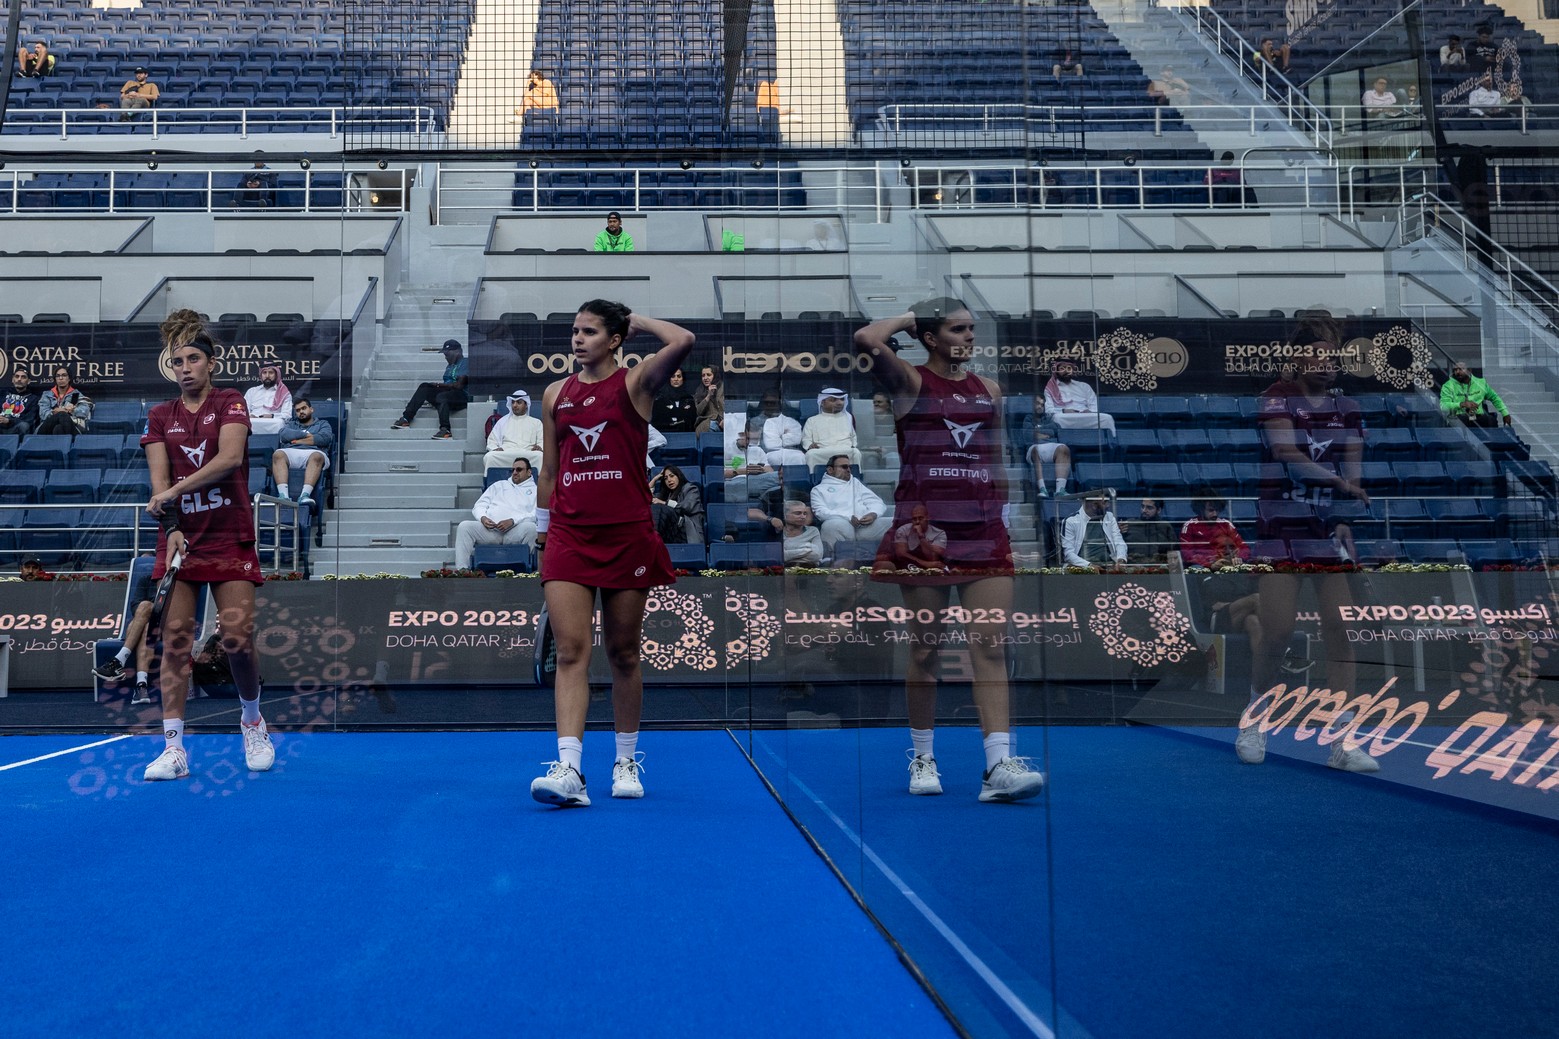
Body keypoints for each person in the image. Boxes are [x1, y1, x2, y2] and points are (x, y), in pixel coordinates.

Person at [855, 298, 1044, 803]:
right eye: (957, 329)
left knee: (990, 646)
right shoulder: (909, 382)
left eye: (971, 329)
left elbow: (995, 458)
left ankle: (997, 766)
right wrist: (912, 318)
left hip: (983, 532)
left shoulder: (990, 390)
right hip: (924, 535)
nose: (969, 337)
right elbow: (867, 339)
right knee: (926, 650)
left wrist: (1000, 513)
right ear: (930, 337)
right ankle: (923, 756)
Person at [530, 300, 694, 807]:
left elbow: (683, 340)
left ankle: (625, 760)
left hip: (626, 535)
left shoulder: (636, 383)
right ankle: (570, 770)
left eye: (590, 331)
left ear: (615, 339)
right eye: (574, 331)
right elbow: (550, 471)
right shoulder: (555, 393)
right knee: (570, 652)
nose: (577, 339)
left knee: (624, 653)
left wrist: (635, 320)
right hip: (569, 535)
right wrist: (542, 535)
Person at [139, 309, 272, 782]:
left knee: (235, 638)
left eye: (193, 359)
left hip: (229, 533)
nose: (185, 368)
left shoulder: (231, 401)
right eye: (177, 362)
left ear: (211, 364)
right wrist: (172, 522)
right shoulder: (160, 416)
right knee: (175, 640)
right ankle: (173, 748)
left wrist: (174, 492)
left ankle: (252, 721)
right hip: (181, 538)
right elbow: (158, 484)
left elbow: (230, 457)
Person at [1243, 314, 1376, 773]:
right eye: (1317, 354)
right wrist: (1339, 483)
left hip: (1325, 530)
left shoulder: (1348, 406)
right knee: (1278, 632)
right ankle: (1254, 718)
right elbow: (1286, 452)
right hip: (1280, 527)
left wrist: (1344, 512)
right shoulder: (1276, 397)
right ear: (1297, 360)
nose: (1327, 362)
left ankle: (1343, 740)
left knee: (1341, 630)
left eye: (1332, 356)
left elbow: (1354, 470)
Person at [92, 560, 159, 704]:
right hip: (146, 625)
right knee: (145, 624)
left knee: (145, 606)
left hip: (166, 625)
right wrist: (147, 612)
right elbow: (134, 606)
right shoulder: (146, 580)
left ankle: (118, 661)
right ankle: (141, 686)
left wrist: (150, 608)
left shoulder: (176, 583)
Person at [454, 458, 538, 569]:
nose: (514, 472)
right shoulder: (499, 485)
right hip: (491, 531)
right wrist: (483, 518)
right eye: (512, 470)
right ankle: (462, 570)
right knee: (464, 526)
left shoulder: (536, 490)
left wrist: (513, 521)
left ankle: (531, 570)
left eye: (519, 469)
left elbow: (536, 514)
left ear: (529, 472)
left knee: (532, 528)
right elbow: (479, 505)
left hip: (515, 532)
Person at [810, 454, 890, 556]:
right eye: (844, 467)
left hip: (865, 526)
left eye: (849, 467)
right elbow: (821, 512)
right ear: (830, 470)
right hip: (842, 526)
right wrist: (848, 517)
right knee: (829, 526)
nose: (848, 470)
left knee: (894, 522)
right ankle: (831, 560)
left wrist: (873, 514)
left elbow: (875, 501)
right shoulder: (818, 490)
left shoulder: (855, 482)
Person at [392, 339, 467, 439]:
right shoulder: (450, 366)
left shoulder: (465, 363)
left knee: (442, 396)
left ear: (457, 352)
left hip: (462, 397)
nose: (445, 357)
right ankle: (406, 418)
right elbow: (447, 385)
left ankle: (446, 430)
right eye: (444, 354)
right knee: (425, 387)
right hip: (448, 395)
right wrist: (437, 386)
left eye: (447, 354)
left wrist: (438, 385)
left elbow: (459, 385)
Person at [270, 398, 334, 505]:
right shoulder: (291, 424)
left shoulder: (323, 423)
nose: (301, 412)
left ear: (311, 409)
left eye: (304, 408)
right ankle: (283, 497)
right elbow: (283, 434)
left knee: (317, 456)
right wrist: (306, 435)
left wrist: (296, 440)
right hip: (291, 451)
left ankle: (305, 496)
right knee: (278, 454)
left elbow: (324, 438)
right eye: (298, 410)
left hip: (314, 452)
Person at [1042, 359, 1116, 434]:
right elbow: (1049, 410)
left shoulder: (1084, 386)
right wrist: (1064, 411)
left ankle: (1111, 441)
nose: (1066, 371)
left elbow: (1094, 405)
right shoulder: (1050, 389)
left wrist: (1090, 412)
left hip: (1086, 416)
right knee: (1058, 418)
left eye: (1069, 368)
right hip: (1065, 417)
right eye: (1062, 368)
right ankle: (1063, 440)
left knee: (1107, 418)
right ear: (1056, 371)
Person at [1061, 492, 1126, 570]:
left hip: (1108, 565)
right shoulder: (1071, 521)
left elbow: (1119, 541)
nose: (1108, 505)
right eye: (1104, 503)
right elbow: (1068, 554)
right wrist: (1089, 566)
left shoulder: (1110, 517)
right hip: (1082, 567)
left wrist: (1121, 559)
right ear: (1094, 505)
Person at [1178, 497, 1250, 568]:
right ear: (1201, 510)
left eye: (1217, 510)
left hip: (1225, 563)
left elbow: (1244, 548)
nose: (1215, 514)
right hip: (1203, 566)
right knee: (1197, 568)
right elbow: (1187, 554)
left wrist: (1239, 557)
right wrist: (1209, 564)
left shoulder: (1226, 524)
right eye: (1211, 510)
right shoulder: (1190, 525)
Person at [483, 389, 543, 472]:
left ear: (526, 405)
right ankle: (492, 480)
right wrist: (495, 448)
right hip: (506, 453)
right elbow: (492, 441)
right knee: (489, 457)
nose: (515, 405)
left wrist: (539, 447)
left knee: (540, 456)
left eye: (519, 402)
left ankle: (539, 480)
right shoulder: (502, 422)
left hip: (528, 453)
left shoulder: (536, 422)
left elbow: (542, 440)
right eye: (513, 402)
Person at [801, 387, 860, 470]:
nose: (839, 403)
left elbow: (853, 437)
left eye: (842, 399)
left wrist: (853, 445)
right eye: (833, 400)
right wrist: (810, 445)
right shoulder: (812, 420)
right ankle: (813, 477)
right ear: (822, 402)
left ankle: (855, 476)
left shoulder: (848, 418)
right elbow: (806, 439)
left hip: (844, 450)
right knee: (811, 454)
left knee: (856, 453)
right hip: (822, 451)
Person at [1023, 397, 1072, 497]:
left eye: (1042, 405)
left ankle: (1060, 490)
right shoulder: (1028, 418)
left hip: (1050, 446)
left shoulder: (1049, 418)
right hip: (1034, 447)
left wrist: (1038, 431)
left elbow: (1056, 429)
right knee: (1036, 450)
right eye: (1038, 403)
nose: (1040, 406)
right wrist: (1047, 433)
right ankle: (1042, 489)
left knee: (1064, 448)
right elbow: (1028, 435)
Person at [1440, 360, 1512, 426]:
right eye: (1455, 370)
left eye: (1461, 369)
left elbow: (1495, 398)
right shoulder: (1448, 386)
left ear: (1469, 370)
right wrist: (1461, 404)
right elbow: (1443, 406)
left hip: (1478, 416)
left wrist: (1505, 413)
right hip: (1459, 417)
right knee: (1459, 422)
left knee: (1491, 421)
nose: (1457, 372)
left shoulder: (1481, 383)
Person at [649, 463, 704, 545]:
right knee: (653, 507)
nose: (669, 480)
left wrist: (665, 503)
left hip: (686, 532)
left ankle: (652, 541)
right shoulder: (667, 495)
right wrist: (655, 479)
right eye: (665, 478)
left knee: (659, 508)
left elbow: (687, 507)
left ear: (679, 476)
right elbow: (646, 497)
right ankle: (653, 541)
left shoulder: (691, 489)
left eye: (672, 476)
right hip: (671, 533)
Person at [723, 427, 780, 502]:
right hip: (737, 480)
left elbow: (770, 471)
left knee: (779, 475)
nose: (748, 442)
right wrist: (744, 471)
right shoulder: (727, 450)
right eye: (747, 439)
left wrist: (759, 469)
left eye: (751, 439)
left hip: (758, 480)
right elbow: (722, 474)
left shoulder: (758, 450)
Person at [35, 366, 91, 436]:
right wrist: (54, 412)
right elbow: (43, 413)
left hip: (71, 426)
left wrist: (72, 410)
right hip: (46, 428)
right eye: (58, 376)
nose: (61, 378)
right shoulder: (47, 394)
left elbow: (85, 411)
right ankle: (74, 440)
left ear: (69, 378)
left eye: (64, 375)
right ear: (55, 379)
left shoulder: (76, 394)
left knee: (58, 428)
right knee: (62, 414)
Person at [756, 389, 806, 465]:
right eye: (766, 402)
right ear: (762, 404)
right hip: (763, 456)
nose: (769, 405)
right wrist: (785, 435)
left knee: (799, 457)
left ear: (779, 404)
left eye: (772, 403)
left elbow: (796, 439)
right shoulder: (754, 422)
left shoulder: (791, 422)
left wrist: (778, 437)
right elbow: (771, 445)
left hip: (791, 454)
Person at [892, 504, 947, 572]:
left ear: (927, 518)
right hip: (909, 566)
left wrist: (921, 536)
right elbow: (901, 554)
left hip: (931, 567)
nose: (917, 522)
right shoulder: (903, 530)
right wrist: (925, 563)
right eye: (914, 519)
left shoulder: (939, 533)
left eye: (920, 518)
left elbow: (933, 558)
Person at [1120, 498, 1175, 564]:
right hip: (1134, 566)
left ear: (1158, 510)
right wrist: (1119, 531)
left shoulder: (1165, 527)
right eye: (1142, 506)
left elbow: (1174, 550)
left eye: (1149, 508)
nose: (1144, 510)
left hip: (1159, 566)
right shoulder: (1129, 525)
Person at [243, 363, 291, 435]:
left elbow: (287, 415)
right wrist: (249, 416)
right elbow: (244, 410)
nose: (267, 376)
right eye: (264, 373)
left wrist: (272, 416)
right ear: (261, 375)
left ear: (276, 375)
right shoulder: (252, 391)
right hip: (253, 421)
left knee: (279, 423)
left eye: (271, 373)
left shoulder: (284, 393)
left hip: (273, 422)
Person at [859, 390, 899, 469]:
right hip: (872, 451)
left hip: (891, 450)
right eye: (874, 402)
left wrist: (887, 449)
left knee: (893, 458)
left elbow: (897, 440)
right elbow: (861, 439)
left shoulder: (895, 419)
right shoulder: (865, 420)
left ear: (887, 405)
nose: (876, 404)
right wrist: (870, 448)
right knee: (871, 460)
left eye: (879, 402)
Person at [651, 368, 696, 433]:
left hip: (686, 435)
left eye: (679, 376)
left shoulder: (689, 399)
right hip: (665, 434)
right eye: (673, 376)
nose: (676, 379)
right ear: (669, 379)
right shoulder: (660, 400)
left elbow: (692, 421)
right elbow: (657, 422)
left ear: (683, 379)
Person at [780, 499, 823, 566]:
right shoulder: (778, 532)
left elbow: (817, 555)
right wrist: (806, 550)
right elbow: (779, 556)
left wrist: (789, 555)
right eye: (798, 513)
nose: (803, 517)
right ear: (785, 515)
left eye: (805, 513)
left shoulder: (813, 531)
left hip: (809, 568)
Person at [0, 369, 40, 436]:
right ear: (13, 379)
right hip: (1, 425)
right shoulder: (3, 394)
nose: (19, 379)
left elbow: (29, 419)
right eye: (17, 376)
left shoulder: (33, 399)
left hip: (16, 427)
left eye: (23, 377)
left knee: (24, 426)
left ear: (28, 381)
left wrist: (9, 421)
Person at [693, 365, 723, 433]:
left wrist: (726, 419)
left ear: (715, 376)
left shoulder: (724, 388)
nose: (705, 378)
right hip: (707, 424)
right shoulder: (699, 391)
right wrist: (708, 396)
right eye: (703, 375)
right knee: (711, 425)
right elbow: (698, 412)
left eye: (708, 375)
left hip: (724, 422)